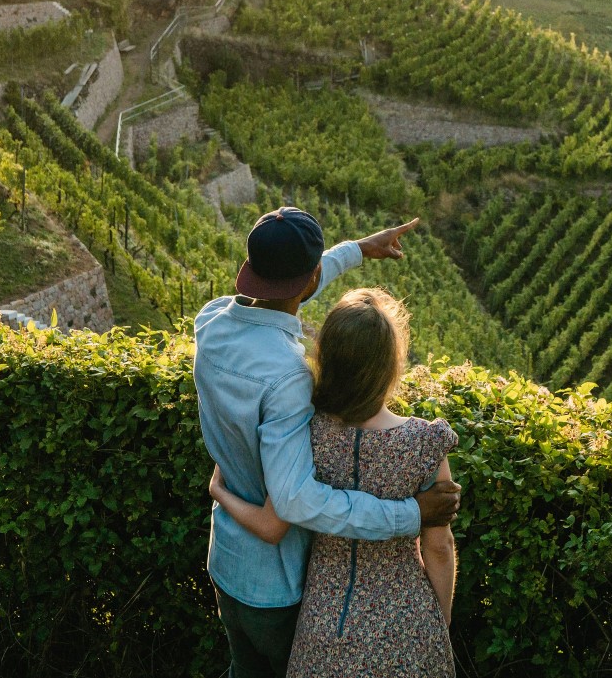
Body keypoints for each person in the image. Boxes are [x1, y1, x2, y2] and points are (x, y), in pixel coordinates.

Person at [194, 207, 461, 678]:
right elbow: (296, 501)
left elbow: (285, 293)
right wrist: (411, 514)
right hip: (275, 583)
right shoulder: (288, 378)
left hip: (227, 560)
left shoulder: (210, 322)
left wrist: (357, 251)